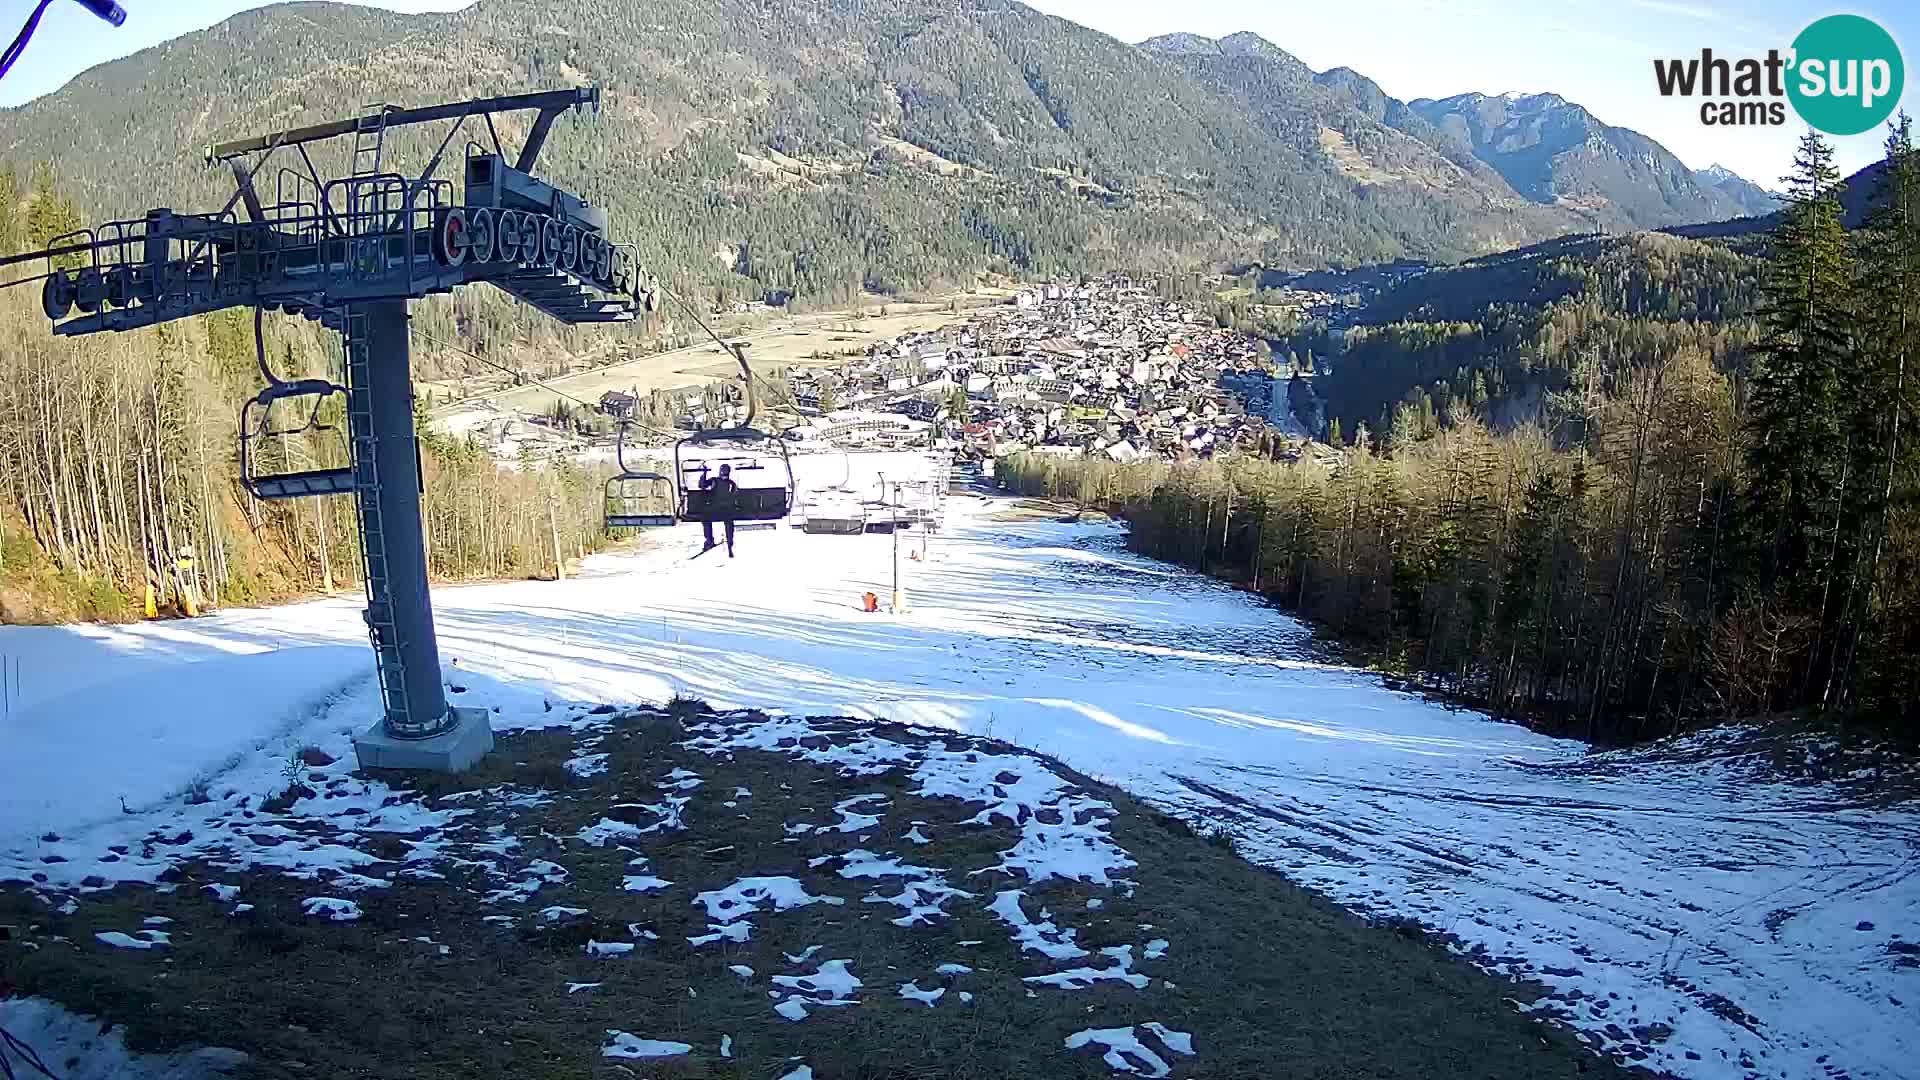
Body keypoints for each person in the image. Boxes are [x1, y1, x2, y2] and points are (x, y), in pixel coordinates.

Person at [700, 463, 739, 556]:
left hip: (716, 510)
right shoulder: (731, 483)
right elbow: (735, 495)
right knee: (729, 522)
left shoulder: (715, 481)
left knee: (706, 519)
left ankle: (709, 540)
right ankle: (729, 543)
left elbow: (702, 485)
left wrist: (704, 473)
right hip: (727, 511)